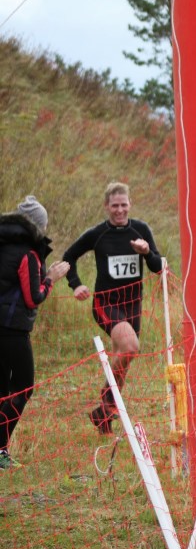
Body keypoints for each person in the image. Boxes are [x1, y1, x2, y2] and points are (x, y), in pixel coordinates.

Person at [63, 182, 163, 434]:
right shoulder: (98, 234)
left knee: (124, 359)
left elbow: (158, 267)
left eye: (123, 205)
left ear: (130, 204)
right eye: (115, 205)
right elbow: (69, 256)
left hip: (133, 304)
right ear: (106, 206)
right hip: (106, 303)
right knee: (130, 348)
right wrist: (76, 284)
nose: (120, 210)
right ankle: (107, 397)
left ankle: (104, 416)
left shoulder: (141, 230)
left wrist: (146, 251)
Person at [0, 196, 70, 469]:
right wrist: (51, 277)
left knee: (3, 390)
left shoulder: (4, 244)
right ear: (39, 226)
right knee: (23, 387)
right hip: (13, 330)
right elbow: (33, 298)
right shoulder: (28, 253)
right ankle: (0, 449)